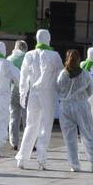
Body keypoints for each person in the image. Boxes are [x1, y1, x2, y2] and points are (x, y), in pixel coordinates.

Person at [16, 28, 61, 169]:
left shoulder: (29, 55)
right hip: (48, 94)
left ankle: (22, 159)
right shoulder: (54, 56)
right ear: (48, 39)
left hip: (34, 94)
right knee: (45, 126)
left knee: (31, 125)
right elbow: (61, 77)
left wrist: (23, 92)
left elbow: (22, 76)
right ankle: (41, 159)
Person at [55, 48, 93, 174]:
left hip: (65, 107)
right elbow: (90, 91)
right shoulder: (85, 74)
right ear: (79, 60)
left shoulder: (62, 74)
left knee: (69, 138)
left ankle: (74, 165)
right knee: (88, 134)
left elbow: (58, 89)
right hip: (81, 106)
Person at [7, 39, 27, 150]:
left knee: (14, 117)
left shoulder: (9, 59)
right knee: (26, 117)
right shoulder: (27, 58)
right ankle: (28, 143)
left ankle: (13, 143)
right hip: (25, 89)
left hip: (13, 89)